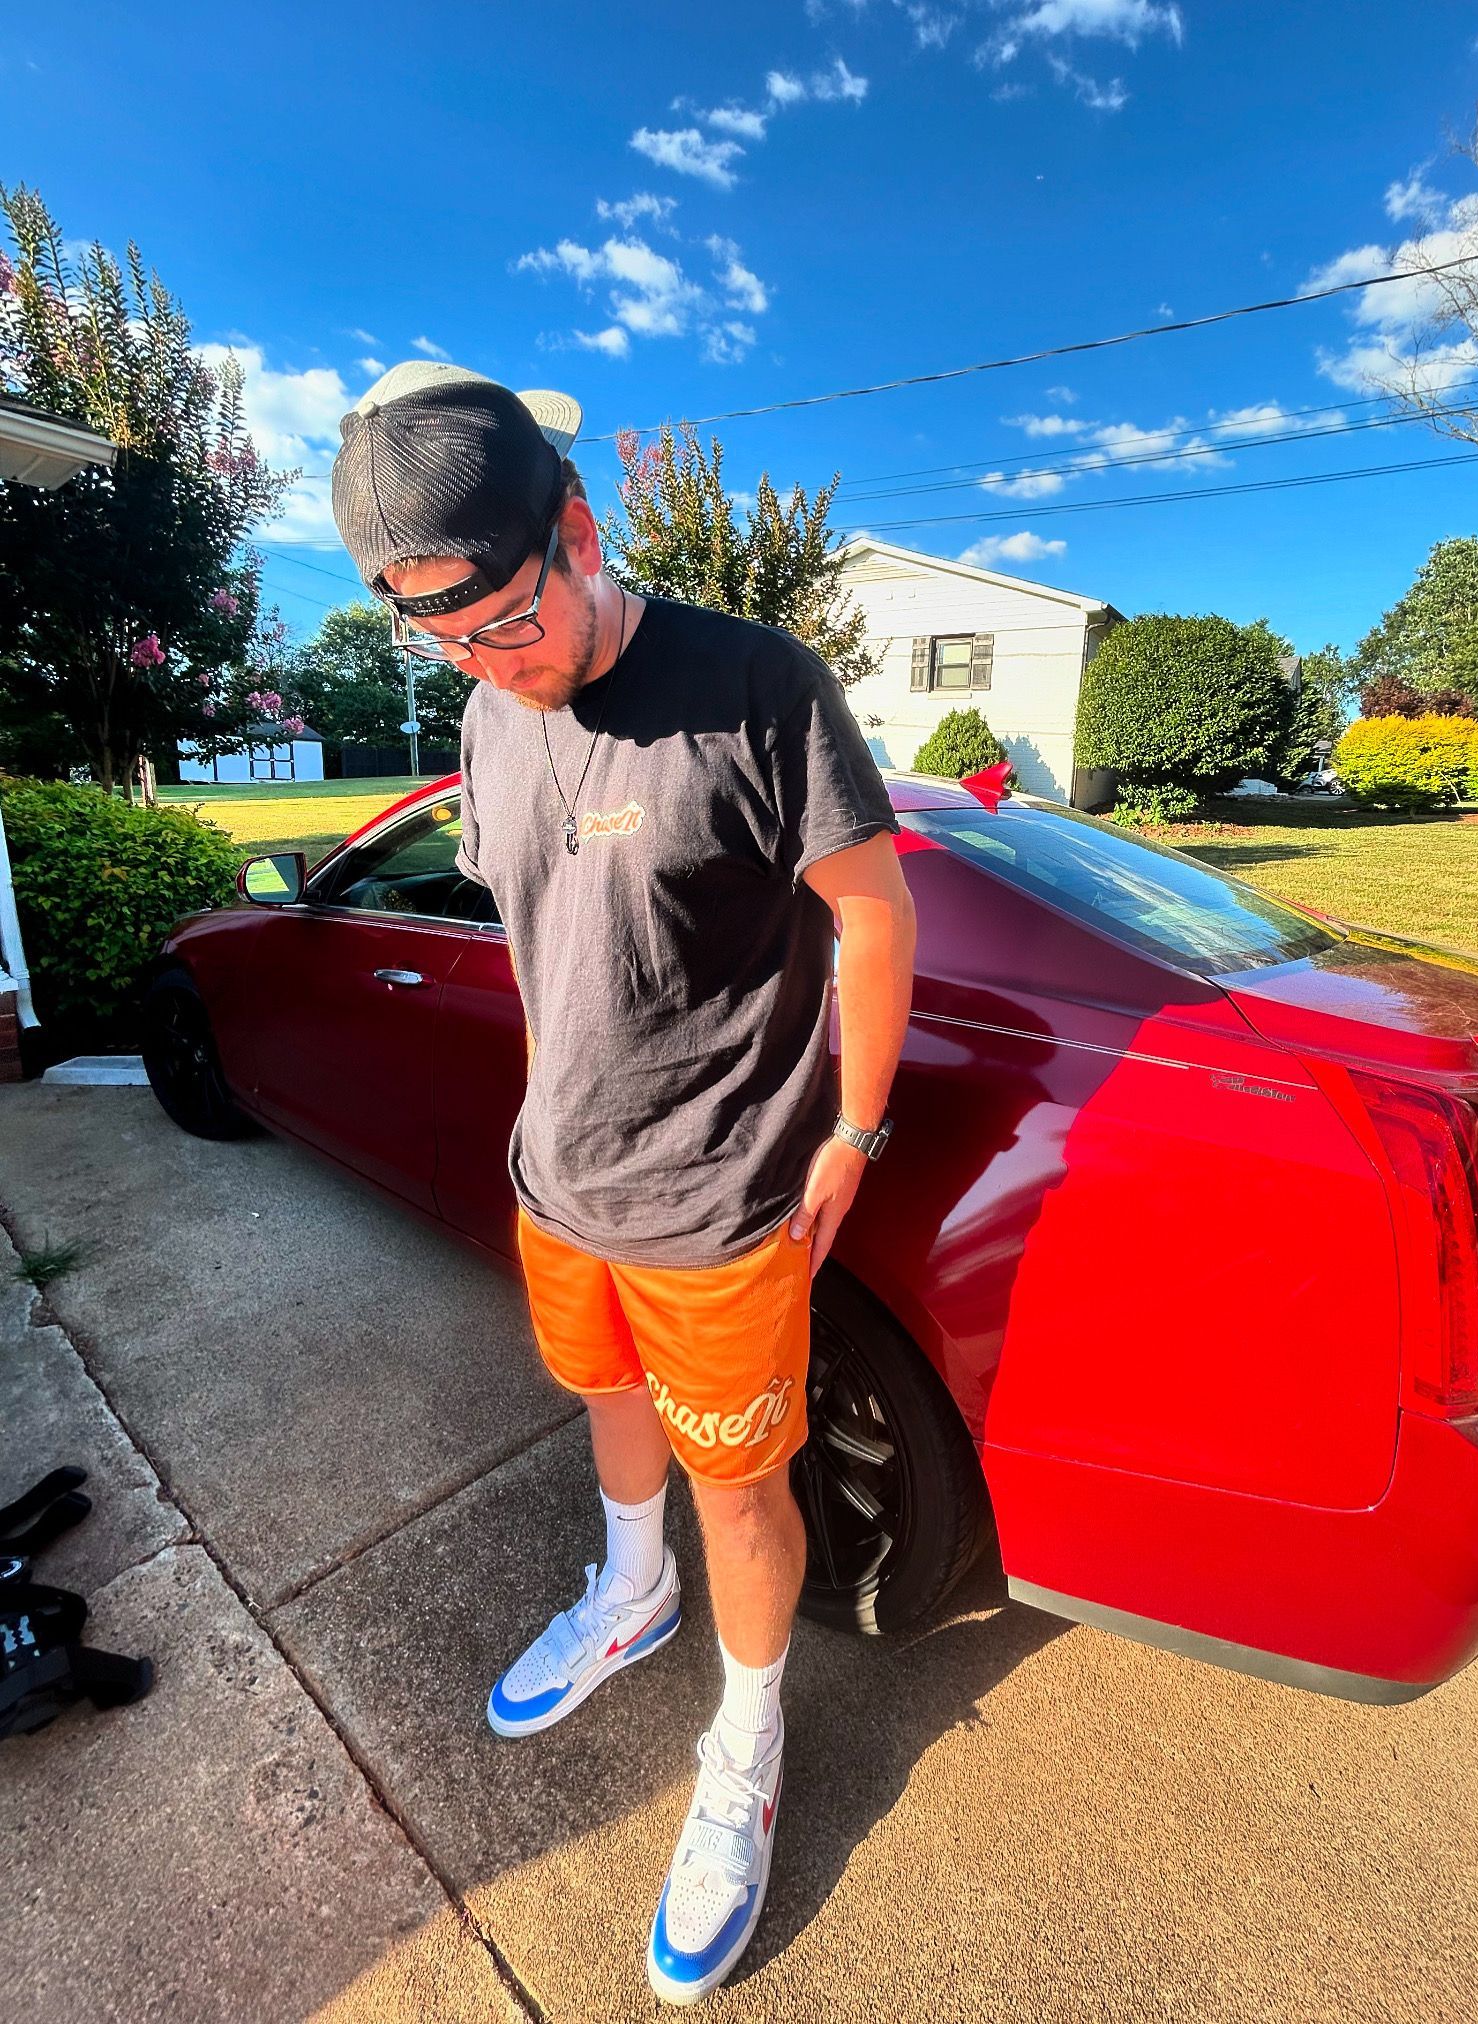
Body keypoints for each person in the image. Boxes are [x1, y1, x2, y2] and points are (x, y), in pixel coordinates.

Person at [331, 363, 916, 2005]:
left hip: (725, 1202)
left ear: (579, 532)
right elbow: (554, 936)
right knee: (600, 1398)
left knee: (745, 1487)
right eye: (438, 638)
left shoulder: (757, 683)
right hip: (558, 1185)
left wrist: (852, 1133)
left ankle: (747, 1745)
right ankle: (628, 1592)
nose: (483, 664)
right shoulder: (477, 706)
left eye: (502, 621)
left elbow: (874, 915)